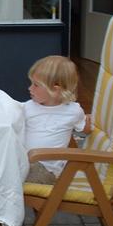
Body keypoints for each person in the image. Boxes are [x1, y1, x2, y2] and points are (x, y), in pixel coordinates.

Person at [24, 55, 92, 185]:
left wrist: (88, 121)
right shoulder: (27, 107)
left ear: (55, 90)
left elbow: (85, 130)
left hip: (47, 171)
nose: (30, 88)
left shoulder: (73, 111)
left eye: (36, 85)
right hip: (24, 163)